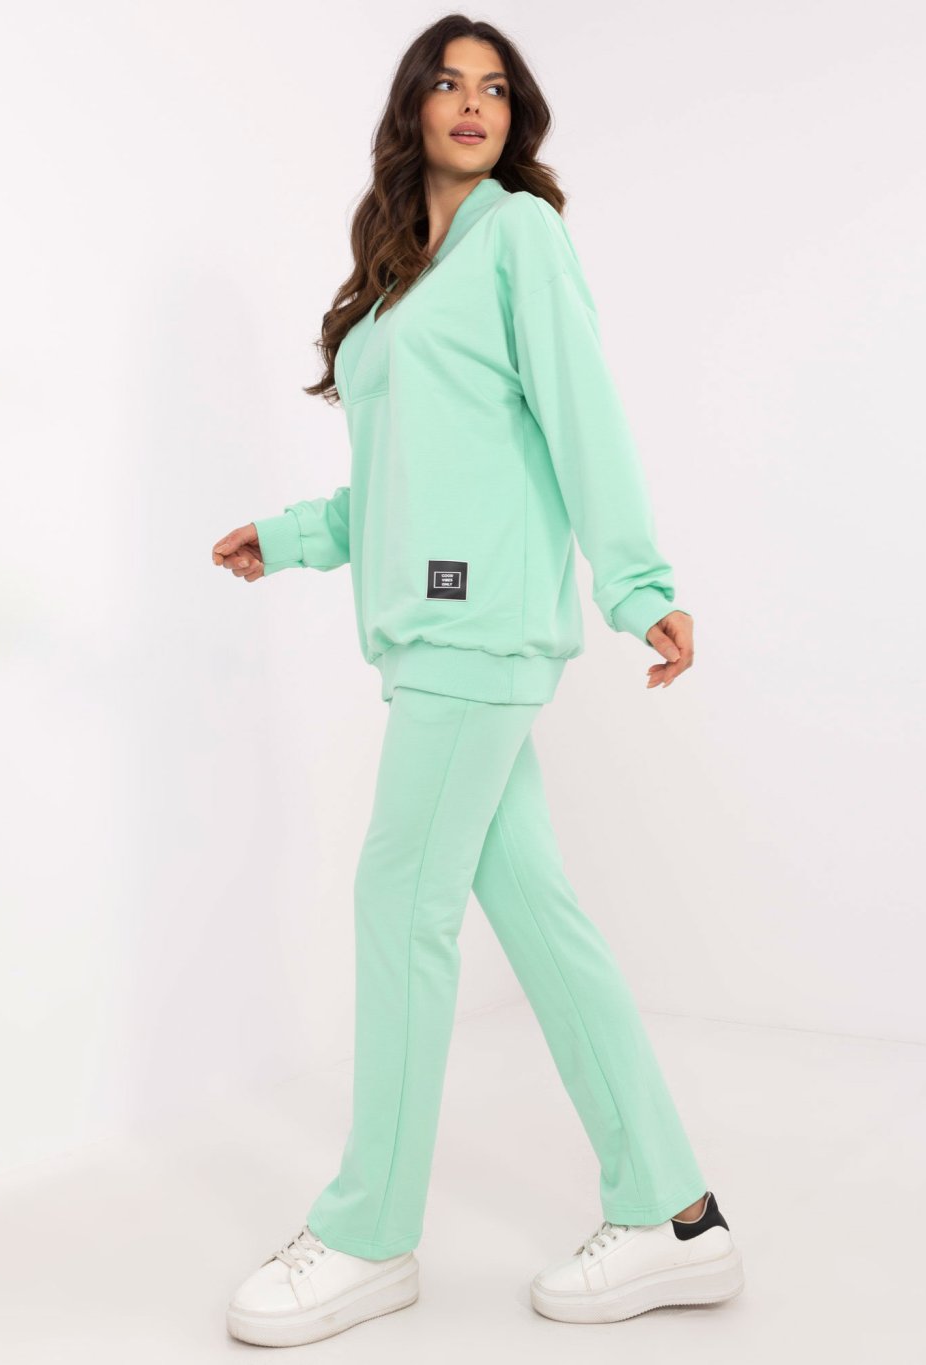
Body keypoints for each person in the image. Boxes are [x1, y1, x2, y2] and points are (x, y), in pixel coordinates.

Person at [213, 16, 744, 1348]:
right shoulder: (400, 274)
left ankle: (368, 1232)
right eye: (447, 84)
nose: (471, 103)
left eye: (494, 87)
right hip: (431, 639)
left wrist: (639, 586)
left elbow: (582, 414)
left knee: (401, 899)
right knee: (538, 914)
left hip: (480, 627)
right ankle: (677, 1214)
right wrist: (291, 536)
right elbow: (401, 481)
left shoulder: (521, 238)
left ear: (516, 117)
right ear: (412, 109)